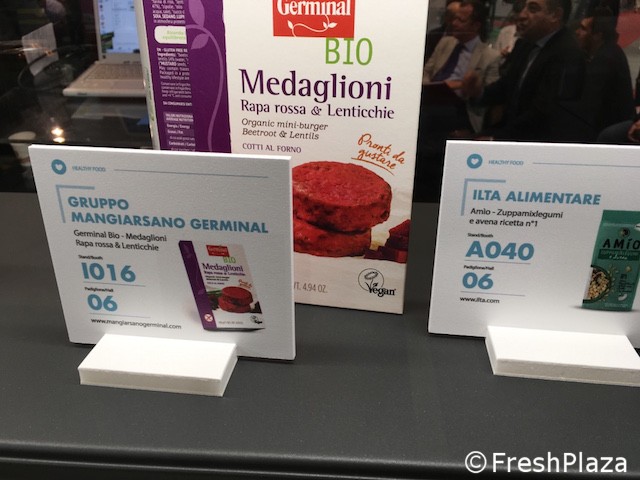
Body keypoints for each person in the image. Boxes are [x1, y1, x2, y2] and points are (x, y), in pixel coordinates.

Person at [461, 0, 588, 141]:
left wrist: (496, 139)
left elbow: (545, 112)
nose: (521, 15)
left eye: (533, 9)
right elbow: (506, 86)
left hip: (539, 141)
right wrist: (479, 92)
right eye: (523, 8)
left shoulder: (568, 53)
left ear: (555, 15)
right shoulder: (525, 44)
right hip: (511, 131)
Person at [575, 7, 635, 140]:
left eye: (583, 29)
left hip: (607, 127)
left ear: (597, 35)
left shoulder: (604, 60)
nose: (577, 32)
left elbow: (588, 105)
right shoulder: (609, 51)